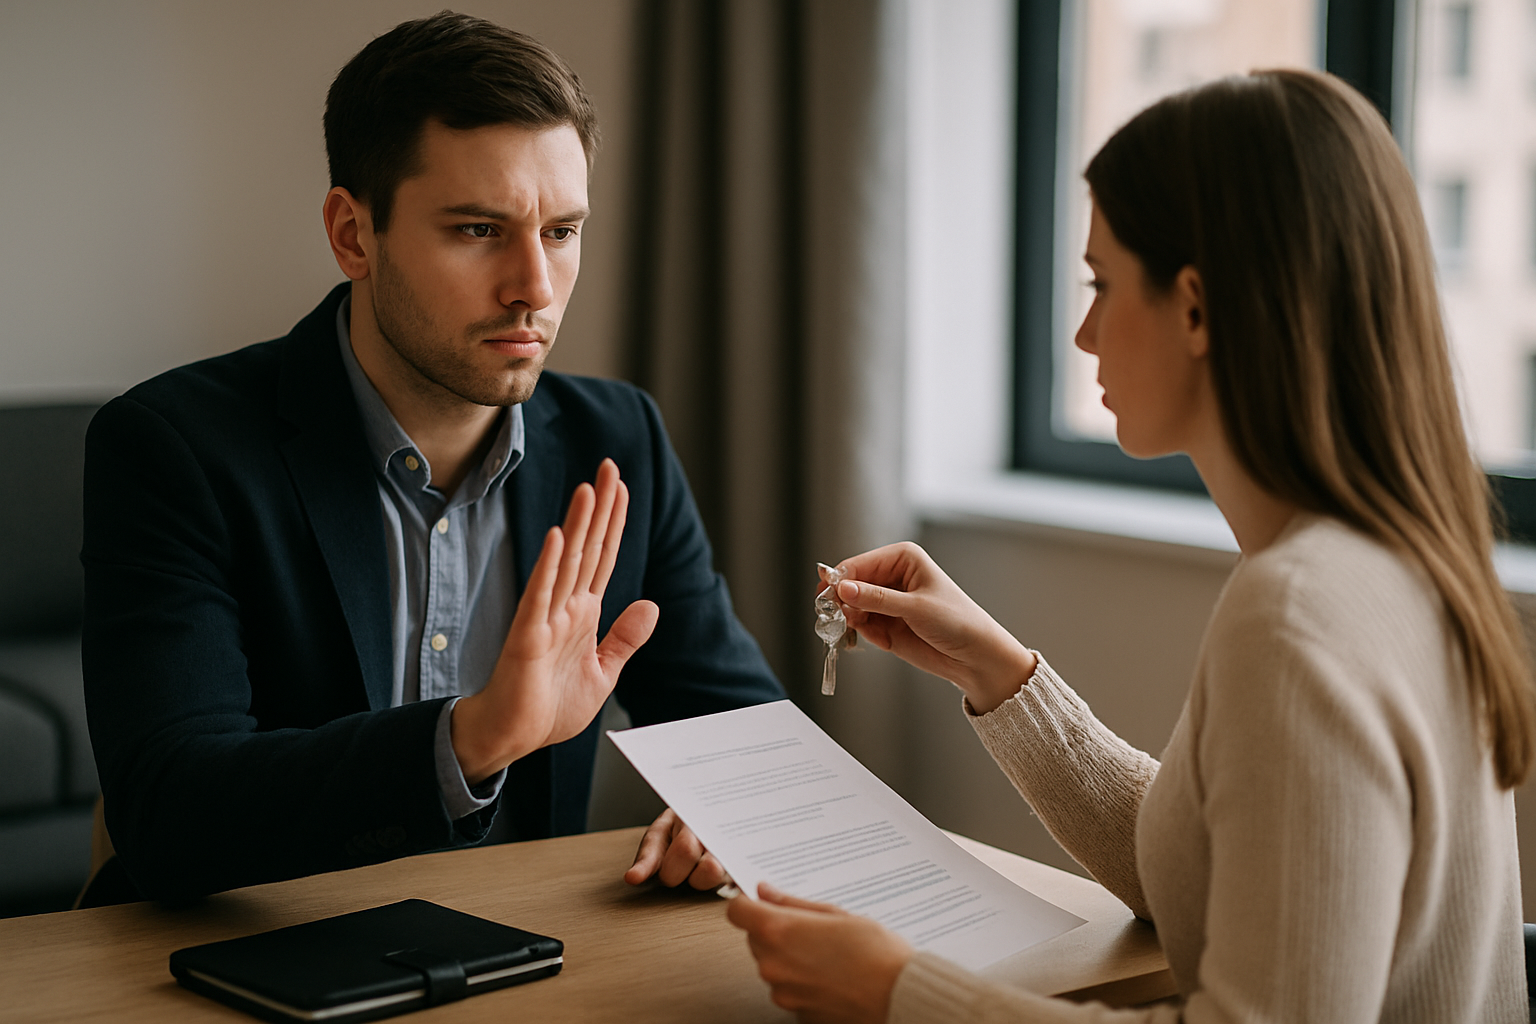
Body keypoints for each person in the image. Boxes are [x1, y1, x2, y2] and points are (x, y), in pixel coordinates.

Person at [726, 69, 1535, 1022]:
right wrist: (1000, 675)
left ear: (1194, 308)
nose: (1082, 331)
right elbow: (1201, 867)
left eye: (1103, 285)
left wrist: (900, 994)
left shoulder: (1297, 617)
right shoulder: (1385, 563)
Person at [80, 11, 782, 904]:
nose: (534, 286)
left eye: (562, 232)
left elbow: (746, 739)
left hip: (529, 957)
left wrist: (734, 810)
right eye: (478, 230)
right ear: (352, 234)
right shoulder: (175, 446)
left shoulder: (619, 438)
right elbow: (169, 813)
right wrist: (467, 739)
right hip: (248, 957)